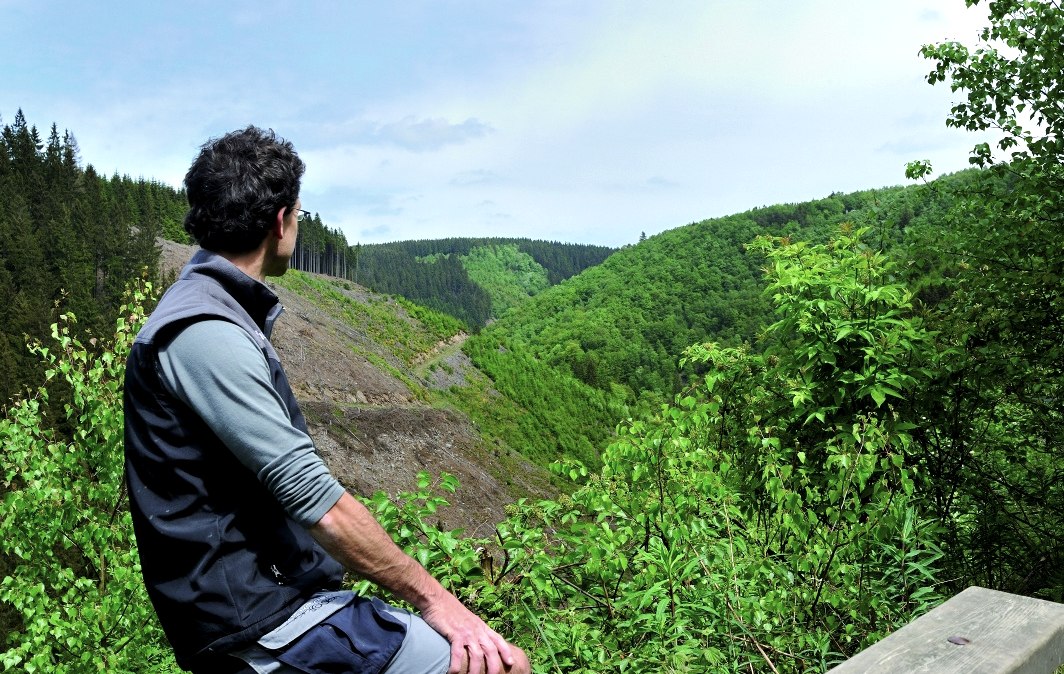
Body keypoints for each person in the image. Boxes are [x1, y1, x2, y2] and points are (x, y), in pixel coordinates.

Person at [124, 126, 530, 674]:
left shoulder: (206, 312)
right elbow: (315, 500)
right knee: (499, 667)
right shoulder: (205, 331)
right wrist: (440, 602)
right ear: (281, 222)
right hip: (264, 620)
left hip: (262, 610)